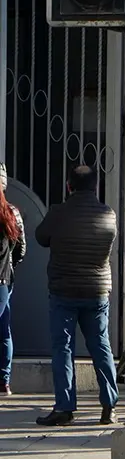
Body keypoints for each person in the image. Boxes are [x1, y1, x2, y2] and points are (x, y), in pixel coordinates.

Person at [35, 166, 120, 427]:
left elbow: (41, 237)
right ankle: (108, 406)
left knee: (63, 348)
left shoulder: (58, 213)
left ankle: (64, 407)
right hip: (97, 291)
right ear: (95, 187)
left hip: (64, 290)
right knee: (101, 346)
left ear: (69, 185)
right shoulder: (108, 214)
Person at [0, 163, 25, 397]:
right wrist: (8, 268)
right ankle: (4, 381)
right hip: (3, 280)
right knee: (3, 329)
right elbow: (21, 249)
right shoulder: (12, 213)